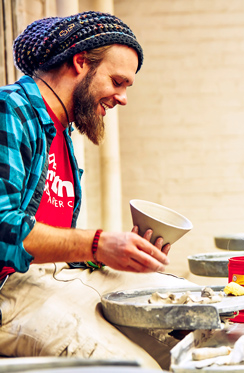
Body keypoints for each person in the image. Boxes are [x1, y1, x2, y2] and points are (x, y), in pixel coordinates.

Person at [0, 11, 195, 369]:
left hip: (57, 275)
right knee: (134, 367)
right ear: (79, 63)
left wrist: (119, 252)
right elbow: (1, 229)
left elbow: (53, 240)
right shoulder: (8, 110)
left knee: (189, 319)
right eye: (118, 81)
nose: (122, 97)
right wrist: (97, 243)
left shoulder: (60, 131)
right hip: (8, 294)